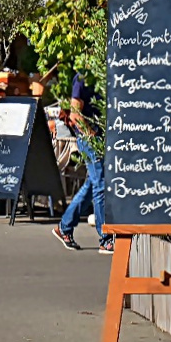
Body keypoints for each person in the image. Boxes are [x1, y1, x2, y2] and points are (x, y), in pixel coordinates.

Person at [53, 73, 112, 254]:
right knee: (101, 183)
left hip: (100, 136)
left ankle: (65, 227)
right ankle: (105, 238)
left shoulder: (102, 72)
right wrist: (91, 133)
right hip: (89, 138)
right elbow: (75, 114)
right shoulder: (81, 78)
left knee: (92, 184)